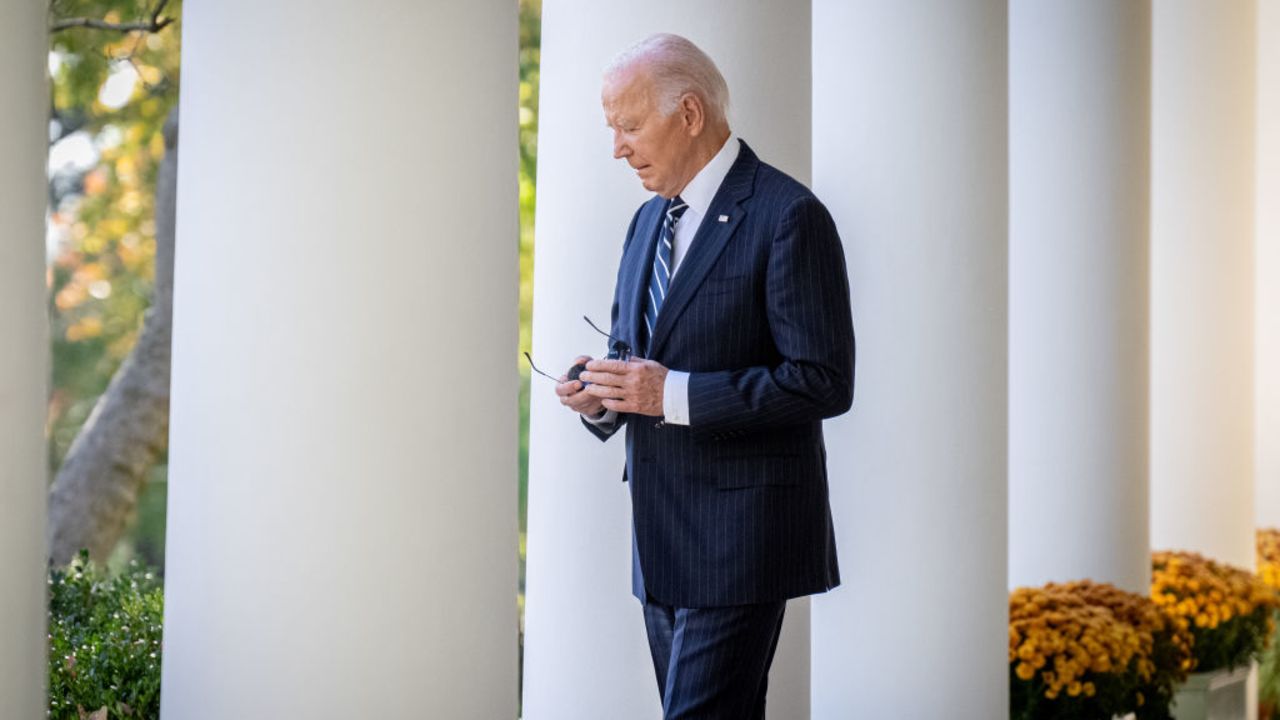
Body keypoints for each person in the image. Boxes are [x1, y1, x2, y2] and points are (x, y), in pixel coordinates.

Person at [554, 33, 855, 719]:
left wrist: (673, 393)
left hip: (743, 538)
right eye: (613, 129)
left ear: (689, 113)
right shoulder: (644, 222)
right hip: (659, 538)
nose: (618, 148)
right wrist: (600, 395)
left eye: (629, 126)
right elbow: (637, 357)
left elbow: (823, 379)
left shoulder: (789, 217)